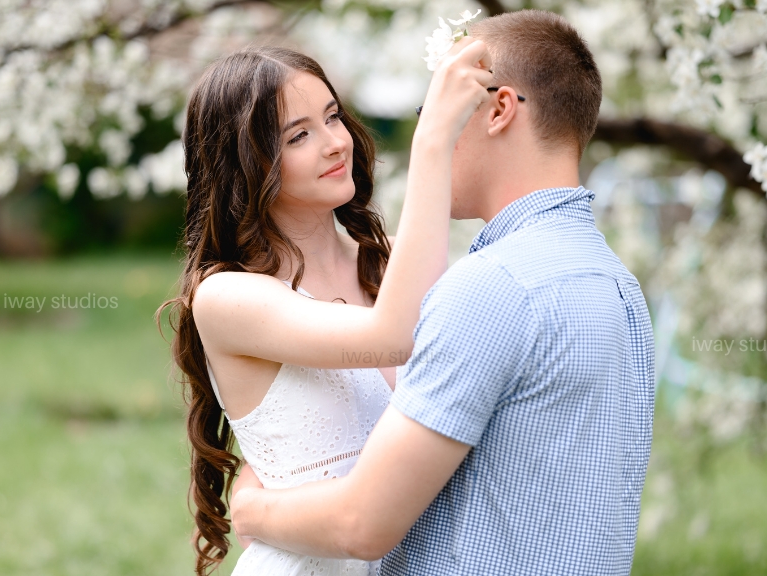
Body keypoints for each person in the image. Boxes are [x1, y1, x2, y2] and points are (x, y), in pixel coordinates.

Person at [229, 9, 657, 576]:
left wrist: (251, 510)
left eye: (436, 106)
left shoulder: (491, 290)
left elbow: (363, 524)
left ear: (498, 109)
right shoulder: (621, 289)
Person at [160, 41, 494, 576]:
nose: (337, 143)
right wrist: (432, 143)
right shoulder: (228, 298)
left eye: (333, 117)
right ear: (246, 164)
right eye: (300, 135)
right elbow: (394, 338)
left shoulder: (381, 265)